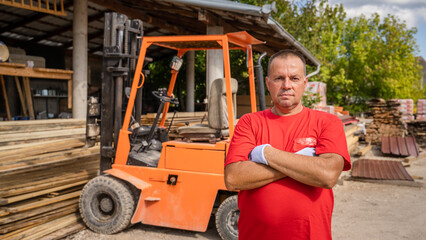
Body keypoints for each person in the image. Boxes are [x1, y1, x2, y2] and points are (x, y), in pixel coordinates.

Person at [224, 50, 351, 240]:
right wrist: (307, 161)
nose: (286, 85)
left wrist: (266, 153)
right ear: (268, 83)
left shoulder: (327, 122)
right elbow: (234, 177)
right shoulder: (249, 122)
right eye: (278, 78)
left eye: (294, 78)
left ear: (305, 83)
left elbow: (327, 174)